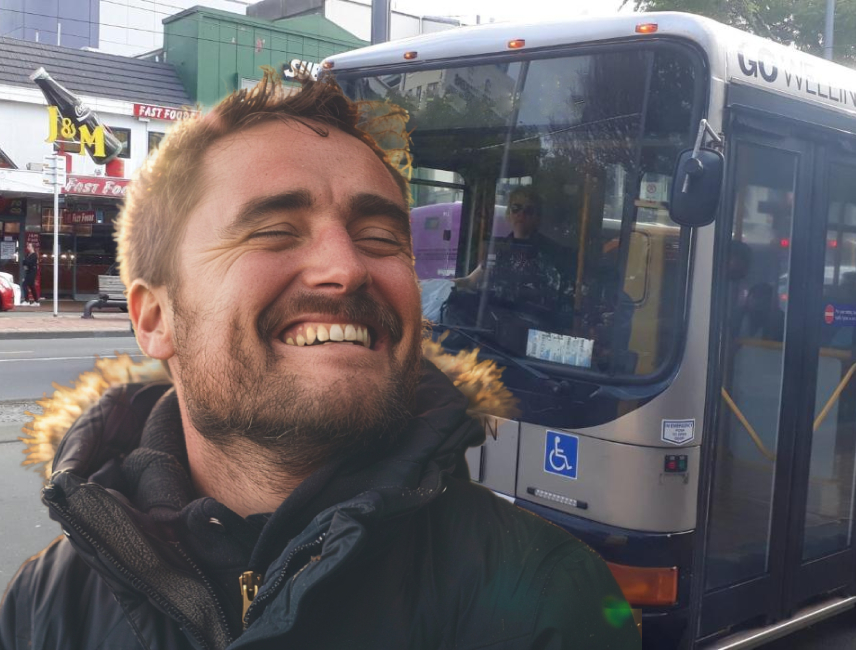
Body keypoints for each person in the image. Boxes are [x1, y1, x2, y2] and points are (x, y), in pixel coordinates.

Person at [0, 71, 639, 650]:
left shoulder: (545, 598)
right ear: (154, 319)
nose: (347, 268)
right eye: (273, 231)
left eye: (382, 237)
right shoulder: (43, 606)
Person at [20, 242, 37, 306]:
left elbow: (30, 263)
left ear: (32, 247)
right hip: (28, 272)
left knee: (24, 284)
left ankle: (27, 301)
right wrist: (26, 264)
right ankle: (36, 301)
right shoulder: (27, 254)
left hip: (32, 272)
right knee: (32, 286)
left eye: (29, 246)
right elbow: (24, 262)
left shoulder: (34, 255)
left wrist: (26, 263)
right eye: (27, 246)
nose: (27, 247)